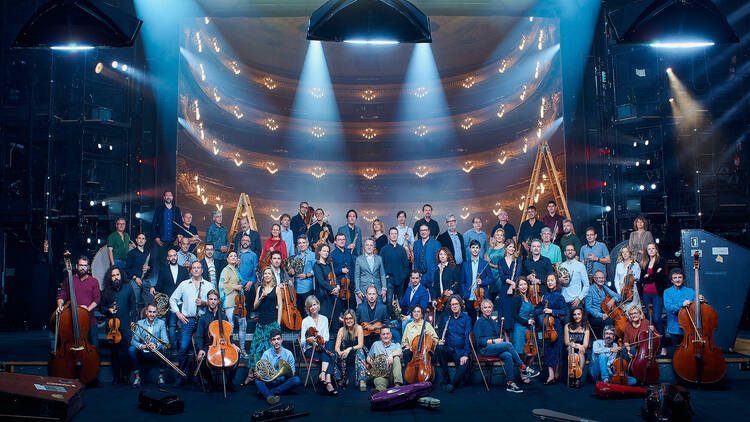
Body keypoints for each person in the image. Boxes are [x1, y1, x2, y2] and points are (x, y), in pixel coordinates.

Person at [474, 299, 539, 393]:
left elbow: (498, 336)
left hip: (494, 348)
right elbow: (479, 341)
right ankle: (523, 367)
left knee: (508, 355)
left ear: (492, 309)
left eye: (489, 307)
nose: (487, 309)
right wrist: (494, 341)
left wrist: (500, 340)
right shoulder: (479, 322)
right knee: (508, 345)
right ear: (482, 309)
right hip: (485, 350)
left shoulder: (493, 322)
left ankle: (510, 383)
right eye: (485, 307)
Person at [169, 260, 211, 386]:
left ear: (202, 270)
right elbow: (172, 299)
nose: (196, 269)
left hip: (203, 322)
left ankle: (199, 376)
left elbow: (216, 302)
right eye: (194, 268)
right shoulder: (184, 284)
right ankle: (182, 376)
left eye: (199, 267)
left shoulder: (209, 285)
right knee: (183, 348)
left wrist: (204, 303)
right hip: (187, 320)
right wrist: (178, 313)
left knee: (200, 349)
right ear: (191, 270)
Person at [242, 267, 282, 386]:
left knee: (270, 350)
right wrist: (261, 297)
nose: (267, 275)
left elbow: (280, 306)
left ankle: (268, 375)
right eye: (265, 274)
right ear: (263, 276)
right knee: (255, 349)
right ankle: (250, 375)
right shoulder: (259, 288)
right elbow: (254, 306)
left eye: (269, 273)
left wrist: (278, 323)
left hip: (272, 324)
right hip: (261, 324)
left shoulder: (277, 289)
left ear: (272, 276)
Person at [194, 289, 239, 392]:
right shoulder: (203, 318)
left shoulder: (223, 316)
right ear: (208, 301)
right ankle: (210, 383)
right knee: (202, 357)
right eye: (210, 299)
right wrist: (200, 349)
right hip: (209, 345)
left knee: (236, 353)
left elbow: (228, 334)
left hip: (224, 344)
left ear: (218, 301)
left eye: (215, 299)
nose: (213, 301)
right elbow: (199, 337)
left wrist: (232, 344)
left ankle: (229, 382)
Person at [99, 266, 135, 384]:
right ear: (110, 278)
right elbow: (102, 307)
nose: (115, 277)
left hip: (125, 326)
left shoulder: (128, 288)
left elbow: (133, 306)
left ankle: (126, 376)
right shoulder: (106, 291)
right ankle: (116, 377)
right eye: (113, 275)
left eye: (117, 275)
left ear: (121, 275)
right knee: (114, 353)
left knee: (125, 352)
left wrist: (133, 321)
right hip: (112, 328)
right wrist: (108, 310)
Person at [56, 255, 100, 348]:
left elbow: (97, 299)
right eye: (80, 265)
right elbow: (62, 295)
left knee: (94, 348)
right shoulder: (69, 280)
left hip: (89, 321)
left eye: (85, 265)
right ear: (76, 266)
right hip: (72, 320)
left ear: (88, 267)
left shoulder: (94, 281)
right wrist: (60, 304)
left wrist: (86, 310)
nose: (83, 268)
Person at [300, 296, 338, 395]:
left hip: (322, 347)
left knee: (329, 344)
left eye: (314, 304)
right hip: (310, 351)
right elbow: (302, 342)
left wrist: (319, 341)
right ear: (308, 308)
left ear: (318, 305)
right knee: (331, 354)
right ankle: (328, 380)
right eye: (310, 306)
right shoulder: (305, 321)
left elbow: (326, 337)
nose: (313, 307)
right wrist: (308, 340)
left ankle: (323, 373)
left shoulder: (324, 319)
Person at [534, 273, 567, 385]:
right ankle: (551, 375)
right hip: (546, 326)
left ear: (556, 282)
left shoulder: (560, 296)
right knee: (548, 349)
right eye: (548, 281)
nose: (550, 282)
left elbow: (564, 313)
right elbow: (537, 310)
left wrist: (552, 311)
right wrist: (542, 310)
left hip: (556, 326)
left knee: (557, 350)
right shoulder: (545, 296)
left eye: (552, 280)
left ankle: (556, 373)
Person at [152, 249, 188, 350]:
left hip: (181, 302)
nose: (173, 257)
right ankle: (174, 348)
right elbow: (159, 285)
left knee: (183, 325)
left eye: (174, 255)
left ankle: (183, 348)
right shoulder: (163, 270)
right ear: (168, 258)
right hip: (169, 303)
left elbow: (187, 286)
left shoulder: (183, 269)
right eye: (171, 256)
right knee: (172, 325)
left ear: (177, 256)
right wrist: (153, 288)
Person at [254, 329, 301, 404]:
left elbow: (293, 373)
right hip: (271, 381)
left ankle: (268, 393)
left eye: (278, 339)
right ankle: (271, 395)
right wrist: (259, 375)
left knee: (296, 380)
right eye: (274, 339)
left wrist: (285, 373)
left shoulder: (288, 354)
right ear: (271, 342)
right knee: (258, 381)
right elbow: (261, 370)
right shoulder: (266, 354)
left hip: (283, 380)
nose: (276, 342)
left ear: (281, 340)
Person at [436, 296, 471, 392]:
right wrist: (440, 340)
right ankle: (446, 376)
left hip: (460, 351)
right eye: (452, 304)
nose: (454, 306)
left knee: (462, 382)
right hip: (449, 349)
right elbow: (442, 334)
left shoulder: (466, 319)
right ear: (450, 306)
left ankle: (452, 384)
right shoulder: (447, 319)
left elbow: (468, 338)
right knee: (440, 348)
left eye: (456, 304)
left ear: (460, 305)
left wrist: (465, 355)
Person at [129, 302, 169, 388]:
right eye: (150, 312)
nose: (152, 314)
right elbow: (133, 341)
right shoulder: (139, 323)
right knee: (131, 350)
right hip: (143, 351)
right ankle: (137, 377)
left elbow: (165, 341)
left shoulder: (161, 323)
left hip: (155, 351)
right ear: (146, 312)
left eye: (154, 312)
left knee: (165, 349)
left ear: (157, 313)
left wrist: (155, 344)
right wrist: (143, 346)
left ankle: (160, 377)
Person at [663, 268, 703, 353]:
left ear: (683, 279)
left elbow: (697, 308)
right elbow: (669, 308)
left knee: (691, 352)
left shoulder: (691, 291)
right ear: (672, 280)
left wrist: (701, 301)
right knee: (678, 352)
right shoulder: (667, 292)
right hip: (675, 328)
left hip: (690, 328)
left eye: (680, 277)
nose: (678, 279)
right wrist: (682, 304)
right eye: (675, 278)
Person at [640, 242, 668, 356]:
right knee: (649, 320)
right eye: (649, 249)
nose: (651, 250)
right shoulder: (645, 262)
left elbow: (661, 277)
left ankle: (664, 346)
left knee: (657, 319)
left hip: (657, 294)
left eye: (653, 248)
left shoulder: (661, 261)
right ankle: (653, 347)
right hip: (646, 294)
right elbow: (642, 279)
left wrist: (649, 277)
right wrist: (651, 276)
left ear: (656, 249)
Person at [219, 251, 246, 356]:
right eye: (231, 256)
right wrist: (234, 287)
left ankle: (242, 349)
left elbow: (240, 281)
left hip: (240, 301)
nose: (234, 257)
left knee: (243, 324)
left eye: (235, 255)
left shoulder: (236, 269)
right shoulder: (225, 270)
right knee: (231, 325)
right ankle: (230, 347)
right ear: (227, 259)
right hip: (230, 301)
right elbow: (221, 285)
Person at [335, 309, 367, 391]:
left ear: (354, 319)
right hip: (345, 354)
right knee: (333, 355)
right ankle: (340, 378)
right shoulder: (341, 330)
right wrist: (340, 352)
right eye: (346, 319)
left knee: (360, 351)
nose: (349, 320)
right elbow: (337, 347)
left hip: (356, 352)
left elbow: (360, 345)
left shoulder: (359, 328)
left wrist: (349, 349)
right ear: (344, 320)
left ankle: (362, 380)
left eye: (350, 318)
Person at [380, 227, 410, 308]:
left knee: (399, 302)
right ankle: (389, 319)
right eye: (392, 234)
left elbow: (406, 265)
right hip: (389, 279)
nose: (393, 235)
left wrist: (403, 276)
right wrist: (385, 275)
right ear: (389, 235)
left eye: (395, 233)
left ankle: (398, 319)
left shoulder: (402, 250)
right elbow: (381, 265)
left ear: (398, 235)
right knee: (389, 302)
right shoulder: (384, 250)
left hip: (400, 279)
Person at [461, 240, 492, 320]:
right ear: (470, 249)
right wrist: (465, 294)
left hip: (482, 296)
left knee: (484, 320)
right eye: (473, 247)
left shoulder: (485, 263)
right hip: (469, 296)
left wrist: (482, 282)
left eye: (477, 248)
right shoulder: (465, 264)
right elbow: (462, 282)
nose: (475, 249)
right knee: (471, 320)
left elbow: (491, 279)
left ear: (479, 249)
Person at [495, 239, 521, 333]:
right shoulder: (500, 261)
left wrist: (514, 284)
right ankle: (505, 338)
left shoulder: (518, 260)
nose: (512, 249)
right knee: (504, 314)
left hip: (515, 290)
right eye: (510, 246)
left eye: (513, 247)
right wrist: (512, 283)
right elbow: (502, 277)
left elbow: (517, 274)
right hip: (504, 290)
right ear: (506, 248)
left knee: (513, 313)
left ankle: (515, 338)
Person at [585, 270, 622, 336]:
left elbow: (619, 297)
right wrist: (600, 315)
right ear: (595, 279)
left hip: (605, 314)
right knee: (609, 321)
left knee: (613, 320)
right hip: (594, 317)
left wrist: (613, 299)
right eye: (599, 278)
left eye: (603, 278)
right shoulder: (590, 290)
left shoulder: (604, 288)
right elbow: (588, 309)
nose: (601, 280)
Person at [367, 326, 404, 392]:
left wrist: (391, 355)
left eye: (387, 334)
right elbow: (368, 358)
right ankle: (381, 394)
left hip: (393, 375)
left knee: (396, 358)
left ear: (391, 335)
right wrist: (372, 362)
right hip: (381, 375)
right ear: (380, 335)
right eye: (383, 334)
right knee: (378, 382)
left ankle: (397, 385)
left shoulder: (396, 345)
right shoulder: (375, 344)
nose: (386, 336)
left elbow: (400, 352)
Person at [312, 244, 340, 326]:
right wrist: (333, 289)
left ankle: (335, 337)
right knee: (324, 319)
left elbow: (334, 277)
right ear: (319, 252)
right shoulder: (317, 265)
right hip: (323, 296)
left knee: (334, 318)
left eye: (327, 251)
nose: (326, 253)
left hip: (332, 294)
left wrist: (338, 286)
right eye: (324, 251)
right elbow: (321, 281)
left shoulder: (329, 265)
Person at [511, 278, 537, 367]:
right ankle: (523, 373)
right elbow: (514, 315)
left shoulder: (529, 298)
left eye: (525, 284)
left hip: (529, 329)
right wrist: (527, 321)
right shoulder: (517, 298)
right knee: (521, 353)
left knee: (532, 353)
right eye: (521, 285)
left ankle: (526, 370)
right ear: (517, 287)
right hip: (520, 328)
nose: (523, 287)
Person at [152, 191, 182, 266]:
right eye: (167, 195)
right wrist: (156, 237)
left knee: (175, 262)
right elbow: (154, 224)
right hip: (162, 241)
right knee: (163, 263)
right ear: (164, 197)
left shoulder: (176, 209)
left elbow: (180, 224)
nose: (168, 197)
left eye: (170, 195)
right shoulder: (159, 209)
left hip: (174, 241)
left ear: (172, 197)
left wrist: (177, 238)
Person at [563, 307, 590, 389]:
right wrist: (573, 345)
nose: (576, 316)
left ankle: (578, 376)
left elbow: (585, 345)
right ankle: (571, 375)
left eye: (578, 314)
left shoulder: (586, 327)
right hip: (570, 347)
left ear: (582, 315)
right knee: (571, 350)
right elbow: (567, 342)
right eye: (574, 314)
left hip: (581, 347)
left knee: (581, 351)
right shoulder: (567, 326)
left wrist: (578, 346)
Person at [354, 239, 387, 304]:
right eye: (367, 245)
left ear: (374, 247)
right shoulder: (359, 259)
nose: (369, 247)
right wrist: (358, 290)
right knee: (365, 312)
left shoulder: (379, 259)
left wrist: (384, 288)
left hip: (378, 290)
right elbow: (357, 276)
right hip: (364, 291)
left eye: (371, 245)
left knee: (379, 311)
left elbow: (382, 274)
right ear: (364, 247)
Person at [431, 248, 460, 321]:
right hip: (440, 300)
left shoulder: (453, 267)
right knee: (440, 322)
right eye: (440, 254)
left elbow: (457, 283)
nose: (442, 256)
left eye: (444, 254)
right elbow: (435, 286)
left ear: (448, 256)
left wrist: (451, 291)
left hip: (449, 299)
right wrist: (434, 299)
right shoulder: (436, 270)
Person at [126, 232, 152, 309]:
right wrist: (135, 278)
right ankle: (134, 320)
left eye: (143, 238)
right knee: (135, 303)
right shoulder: (131, 253)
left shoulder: (148, 253)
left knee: (150, 302)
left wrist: (148, 268)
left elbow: (152, 268)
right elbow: (127, 268)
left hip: (146, 280)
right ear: (136, 240)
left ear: (145, 241)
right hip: (135, 281)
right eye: (139, 238)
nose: (141, 240)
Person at [559, 244, 589, 309]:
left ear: (575, 252)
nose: (570, 252)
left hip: (575, 301)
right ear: (565, 253)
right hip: (564, 301)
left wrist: (579, 298)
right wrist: (559, 281)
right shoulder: (561, 266)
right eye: (568, 250)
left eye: (572, 250)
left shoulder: (581, 266)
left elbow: (586, 285)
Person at [331, 233, 355, 310]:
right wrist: (340, 270)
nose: (342, 241)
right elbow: (331, 270)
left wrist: (353, 281)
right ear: (335, 242)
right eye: (339, 240)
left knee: (352, 305)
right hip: (340, 285)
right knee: (342, 308)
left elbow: (352, 266)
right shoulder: (333, 255)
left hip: (350, 284)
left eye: (343, 239)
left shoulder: (348, 253)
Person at [293, 235, 317, 313]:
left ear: (307, 244)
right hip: (296, 288)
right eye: (299, 243)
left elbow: (316, 269)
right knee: (299, 313)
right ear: (297, 245)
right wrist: (291, 272)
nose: (301, 245)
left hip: (307, 288)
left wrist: (307, 275)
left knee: (309, 312)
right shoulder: (296, 257)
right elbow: (294, 273)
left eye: (303, 242)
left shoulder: (313, 255)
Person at [413, 224, 441, 289]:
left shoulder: (436, 243)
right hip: (420, 277)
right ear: (419, 232)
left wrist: (436, 276)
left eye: (425, 230)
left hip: (432, 275)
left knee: (433, 298)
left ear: (429, 231)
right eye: (421, 230)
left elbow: (439, 261)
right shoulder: (416, 243)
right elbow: (415, 260)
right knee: (420, 298)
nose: (423, 232)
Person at [236, 233, 258, 311]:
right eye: (243, 240)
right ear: (241, 242)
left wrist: (251, 282)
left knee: (247, 310)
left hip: (247, 286)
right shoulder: (236, 254)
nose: (245, 242)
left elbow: (255, 270)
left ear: (250, 242)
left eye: (247, 241)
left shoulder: (253, 255)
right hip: (237, 286)